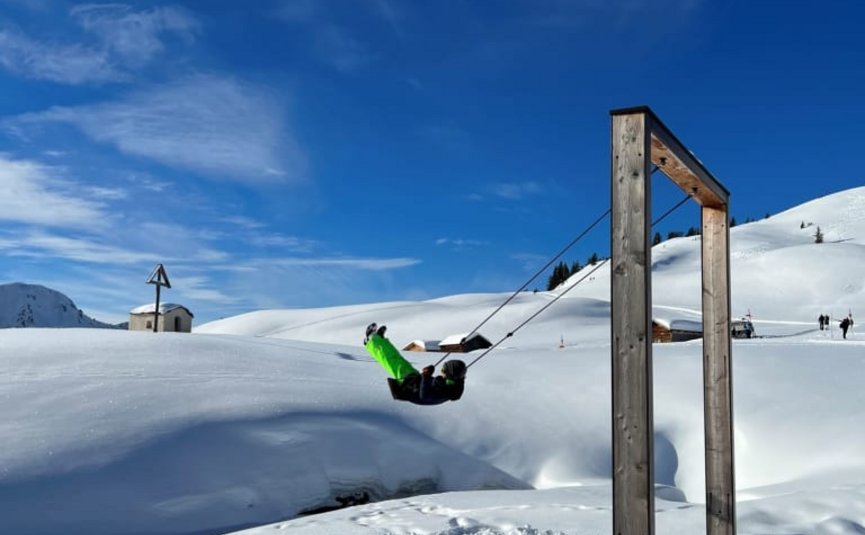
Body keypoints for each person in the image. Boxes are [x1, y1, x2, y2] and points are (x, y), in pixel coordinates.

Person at [364, 323, 466, 405]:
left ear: (450, 374)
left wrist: (426, 376)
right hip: (416, 381)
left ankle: (371, 340)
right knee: (397, 358)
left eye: (444, 370)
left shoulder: (444, 393)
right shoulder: (454, 383)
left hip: (409, 387)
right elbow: (443, 383)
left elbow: (424, 396)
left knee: (391, 360)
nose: (442, 371)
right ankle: (380, 340)